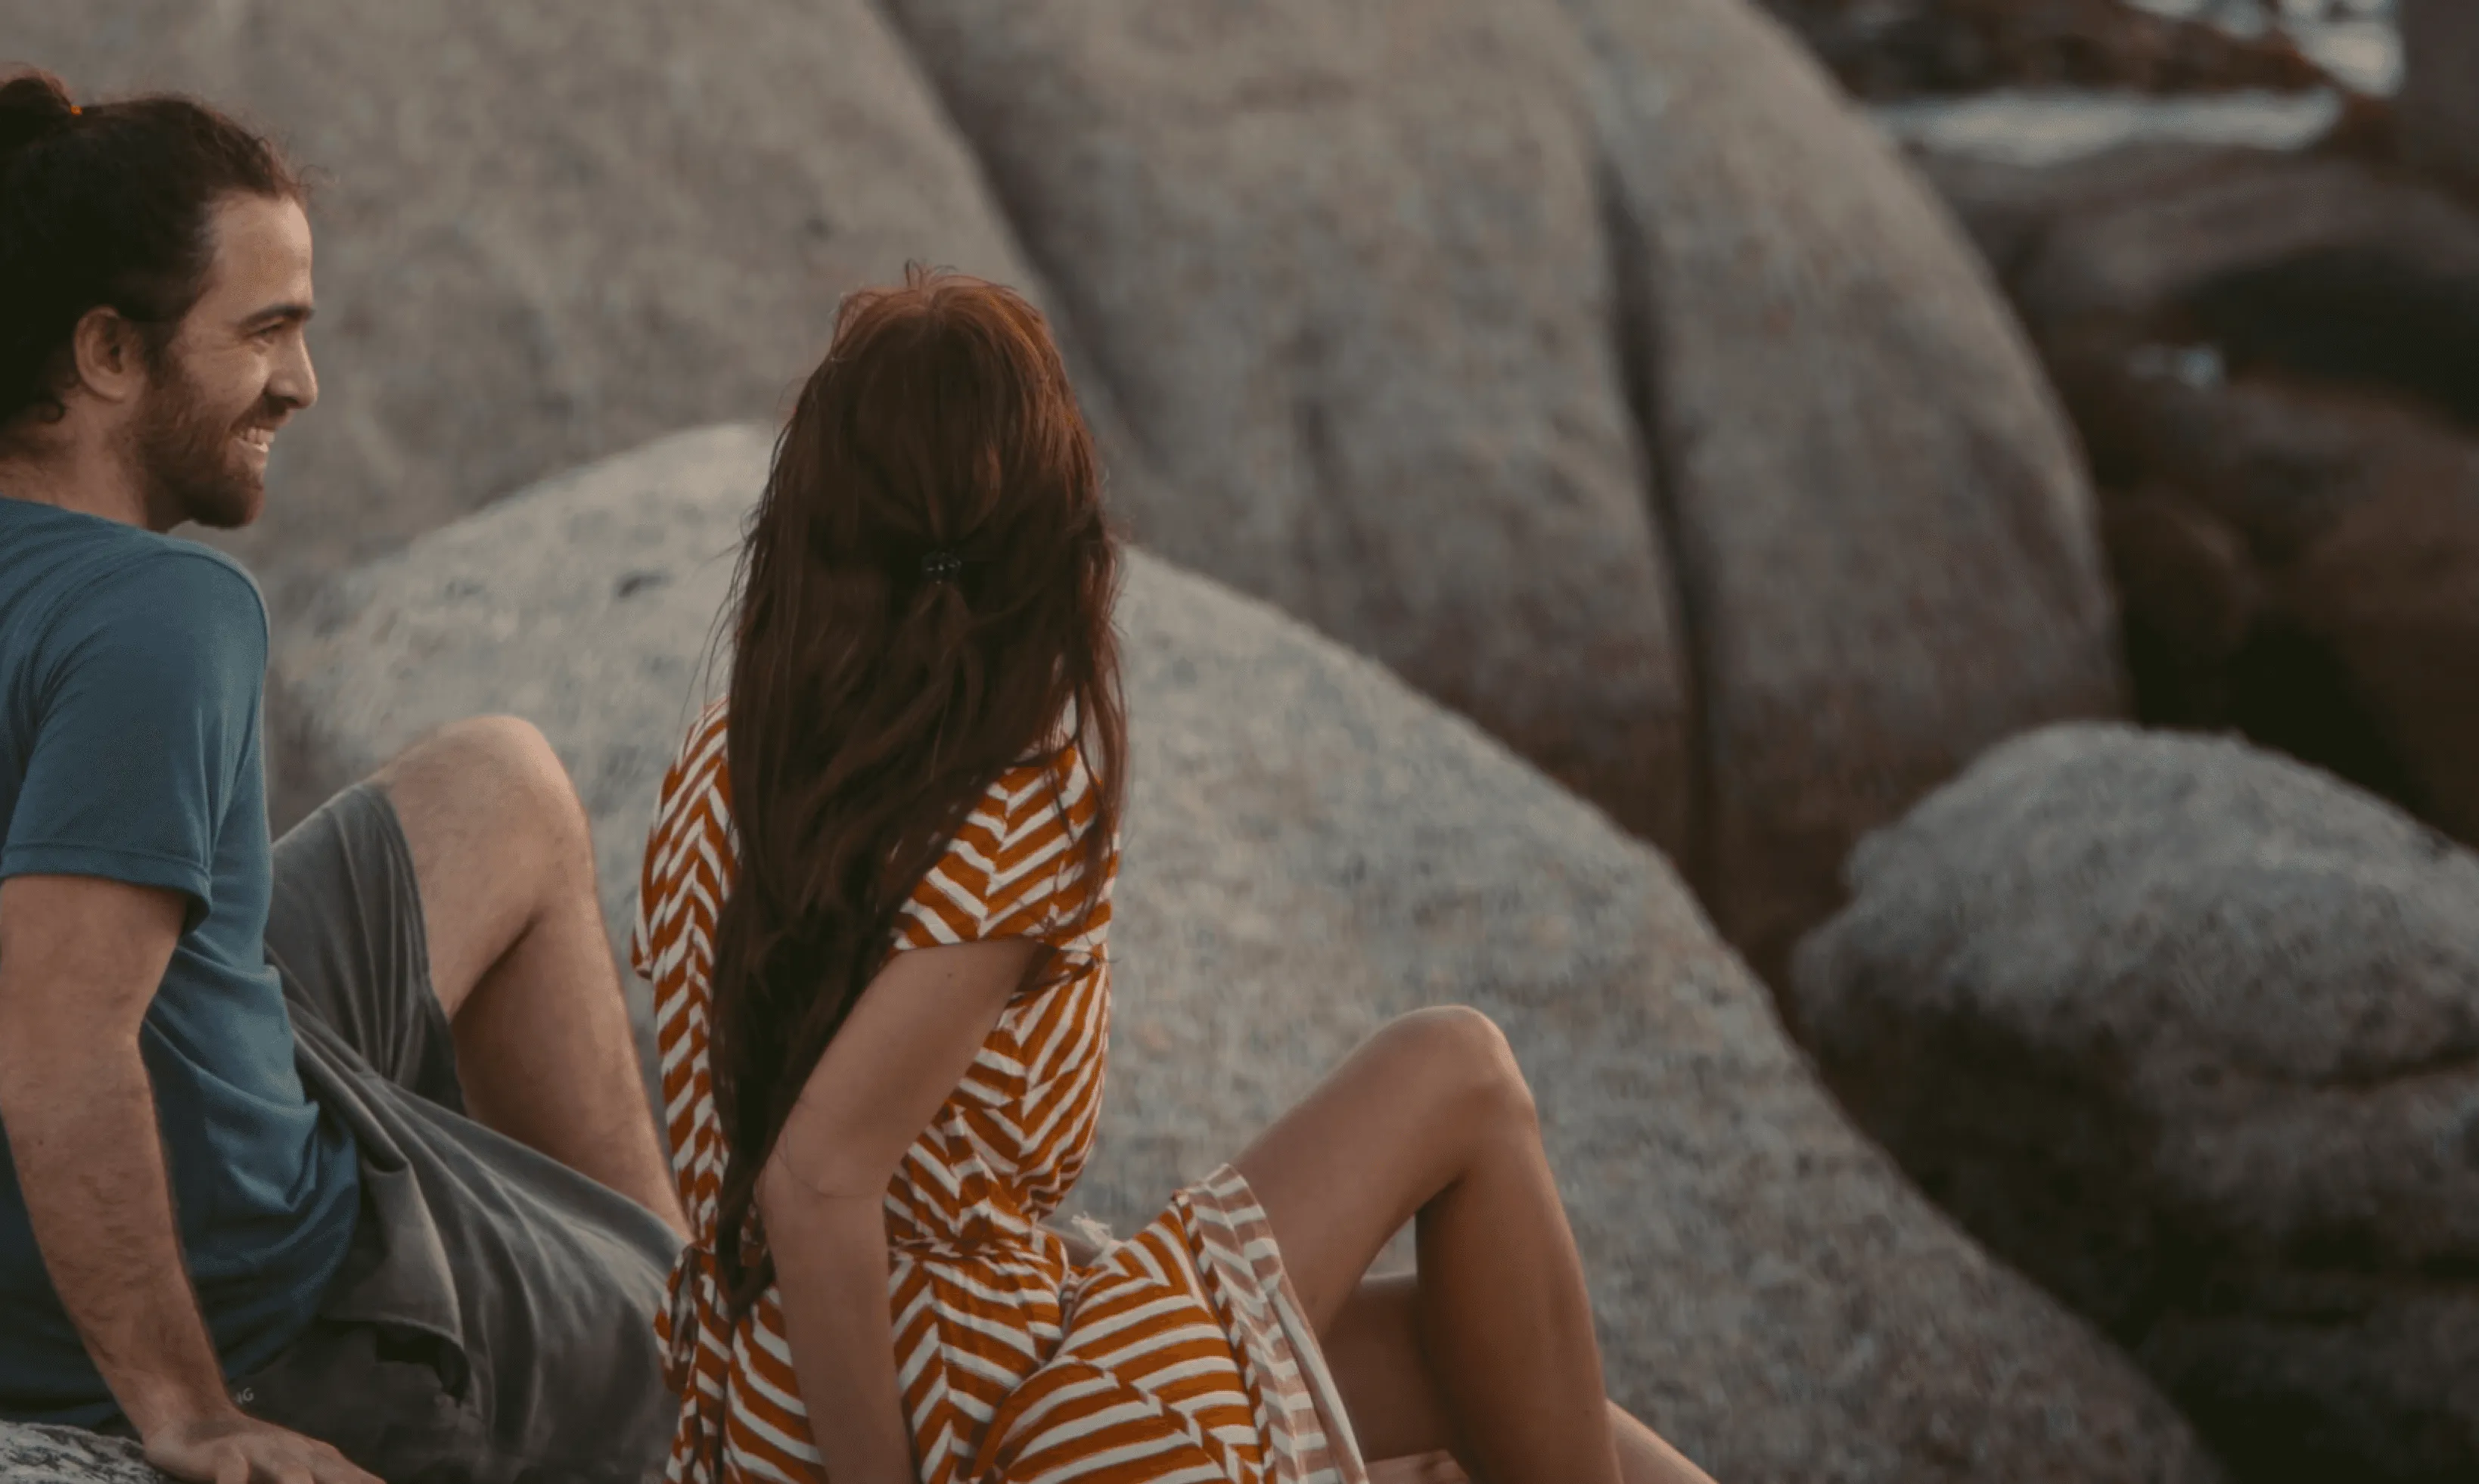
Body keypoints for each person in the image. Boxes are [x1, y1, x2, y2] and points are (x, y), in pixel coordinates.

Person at [634, 266, 1721, 1484]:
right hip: (984, 1423)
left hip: (771, 1410)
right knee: (1458, 1063)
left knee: (1485, 1345)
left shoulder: (720, 763)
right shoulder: (1006, 809)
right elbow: (820, 1177)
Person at [0, 70, 686, 1482]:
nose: (305, 385)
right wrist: (190, 1409)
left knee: (504, 779)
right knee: (684, 1357)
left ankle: (670, 1271)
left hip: (212, 1055)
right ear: (109, 353)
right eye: (267, 334)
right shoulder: (159, 613)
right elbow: (60, 1049)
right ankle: (697, 1349)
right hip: (280, 1303)